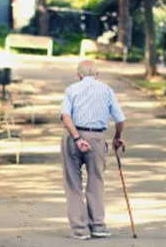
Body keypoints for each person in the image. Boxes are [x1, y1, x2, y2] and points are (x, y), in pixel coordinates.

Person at [60, 60, 126, 240]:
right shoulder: (106, 90)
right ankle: (97, 225)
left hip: (73, 138)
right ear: (97, 74)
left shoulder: (71, 90)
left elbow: (66, 116)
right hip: (97, 138)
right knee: (96, 181)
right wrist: (117, 136)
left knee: (73, 184)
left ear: (79, 75)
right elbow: (120, 119)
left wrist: (77, 138)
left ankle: (80, 229)